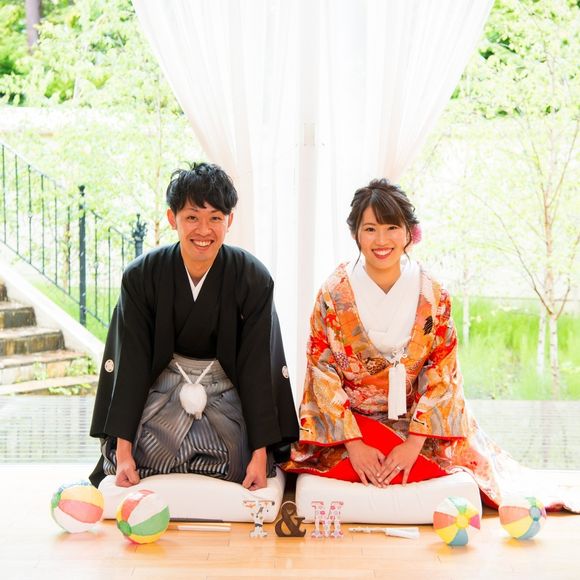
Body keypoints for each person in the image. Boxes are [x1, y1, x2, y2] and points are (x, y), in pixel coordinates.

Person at [284, 178, 579, 512]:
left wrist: (413, 445)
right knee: (356, 464)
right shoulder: (334, 293)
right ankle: (369, 453)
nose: (381, 240)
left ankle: (406, 456)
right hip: (353, 426)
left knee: (426, 464)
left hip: (417, 425)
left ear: (409, 232)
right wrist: (355, 445)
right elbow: (321, 371)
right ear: (355, 234)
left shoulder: (433, 293)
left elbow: (443, 370)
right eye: (370, 229)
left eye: (392, 227)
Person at [89, 162, 299, 491]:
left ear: (230, 220)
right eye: (192, 217)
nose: (204, 230)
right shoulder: (142, 276)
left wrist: (260, 455)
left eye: (215, 218)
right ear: (172, 218)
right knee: (144, 455)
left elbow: (257, 368)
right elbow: (132, 363)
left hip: (226, 393)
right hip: (163, 392)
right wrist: (124, 452)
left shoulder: (252, 277)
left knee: (236, 460)